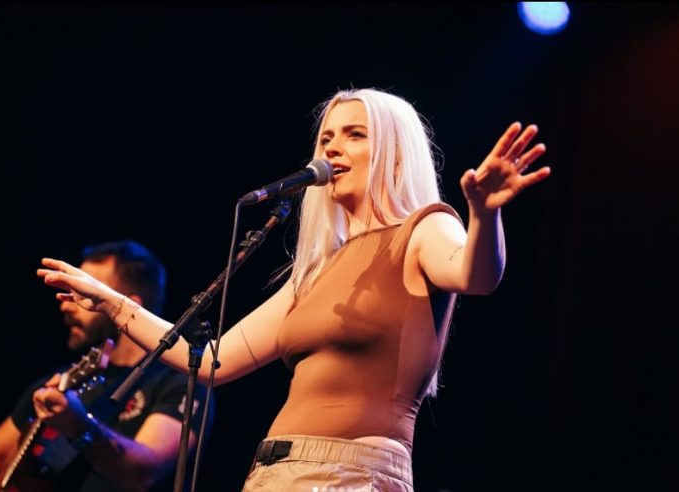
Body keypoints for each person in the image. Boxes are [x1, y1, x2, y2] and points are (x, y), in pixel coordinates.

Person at [36, 88, 550, 491]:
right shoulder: (316, 269)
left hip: (354, 473)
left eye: (354, 135)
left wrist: (485, 212)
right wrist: (110, 300)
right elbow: (210, 363)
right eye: (326, 138)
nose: (332, 147)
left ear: (395, 155)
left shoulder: (423, 229)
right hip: (273, 471)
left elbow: (476, 277)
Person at [0, 240, 213, 492]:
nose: (65, 305)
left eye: (83, 293)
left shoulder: (179, 382)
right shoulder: (60, 381)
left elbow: (143, 474)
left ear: (129, 306)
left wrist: (79, 426)